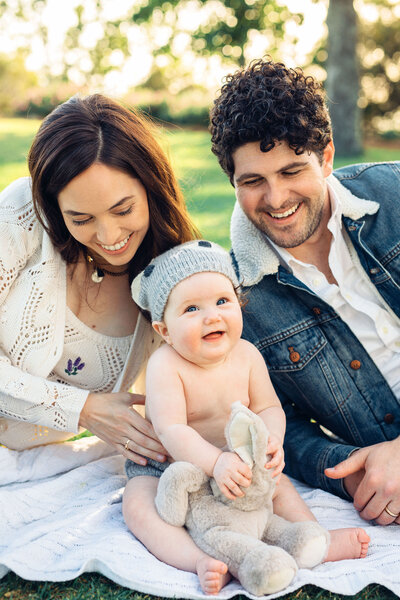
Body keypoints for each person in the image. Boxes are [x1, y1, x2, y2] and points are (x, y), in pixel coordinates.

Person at [209, 58, 400, 526]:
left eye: (292, 171)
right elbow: (274, 426)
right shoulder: (234, 297)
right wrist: (352, 473)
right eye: (252, 181)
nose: (276, 200)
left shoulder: (396, 193)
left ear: (327, 156)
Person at [123, 240, 369, 596]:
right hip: (171, 467)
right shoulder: (166, 365)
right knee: (138, 506)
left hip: (240, 464)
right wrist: (215, 461)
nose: (212, 316)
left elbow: (269, 407)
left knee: (280, 487)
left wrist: (270, 443)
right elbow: (171, 428)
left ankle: (314, 539)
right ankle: (199, 560)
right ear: (164, 331)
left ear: (238, 304)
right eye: (192, 308)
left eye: (223, 301)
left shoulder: (247, 355)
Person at [0, 93, 198, 460]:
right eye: (81, 219)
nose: (109, 237)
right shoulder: (22, 213)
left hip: (37, 470)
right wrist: (84, 408)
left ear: (151, 187)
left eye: (123, 210)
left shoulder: (172, 281)